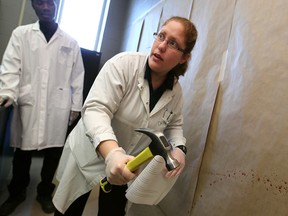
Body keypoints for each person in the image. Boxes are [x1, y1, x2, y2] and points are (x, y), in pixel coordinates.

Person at [53, 16, 198, 216]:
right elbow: (96, 109)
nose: (161, 46)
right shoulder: (123, 65)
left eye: (173, 43)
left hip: (129, 163)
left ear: (184, 57)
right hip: (89, 154)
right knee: (71, 210)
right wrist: (112, 153)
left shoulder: (175, 92)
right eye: (161, 36)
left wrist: (180, 148)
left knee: (113, 212)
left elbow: (174, 125)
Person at [0, 0, 84, 215]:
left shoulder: (70, 42)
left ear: (56, 5)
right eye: (40, 2)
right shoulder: (21, 34)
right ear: (33, 6)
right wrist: (7, 93)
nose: (45, 7)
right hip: (28, 103)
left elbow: (77, 76)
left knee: (53, 153)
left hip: (59, 107)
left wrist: (76, 106)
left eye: (50, 2)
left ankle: (44, 192)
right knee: (22, 152)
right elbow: (10, 67)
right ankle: (17, 192)